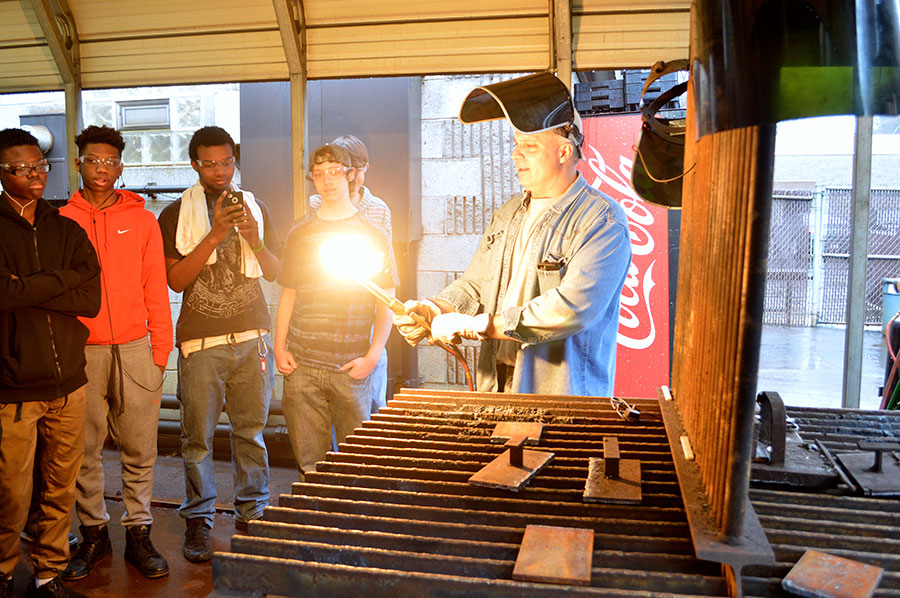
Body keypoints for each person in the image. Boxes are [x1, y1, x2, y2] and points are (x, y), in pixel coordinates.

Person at [394, 73, 632, 396]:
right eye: (517, 145)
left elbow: (571, 308)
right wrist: (436, 309)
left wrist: (484, 325)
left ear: (564, 152)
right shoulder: (508, 214)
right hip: (496, 387)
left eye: (529, 146)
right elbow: (476, 284)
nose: (515, 155)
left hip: (561, 399)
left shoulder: (602, 221)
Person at [157, 126, 281, 563]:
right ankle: (199, 519)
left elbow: (272, 270)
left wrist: (253, 237)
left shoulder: (256, 207)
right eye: (209, 163)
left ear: (235, 161)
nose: (219, 171)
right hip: (201, 340)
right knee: (198, 439)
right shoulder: (175, 213)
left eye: (226, 162)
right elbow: (174, 280)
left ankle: (253, 511)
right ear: (195, 164)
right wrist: (213, 234)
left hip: (253, 337)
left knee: (251, 433)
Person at [58, 125, 173, 581]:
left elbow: (155, 288)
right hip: (82, 351)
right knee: (83, 448)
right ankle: (93, 533)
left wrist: (160, 350)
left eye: (109, 161)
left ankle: (139, 533)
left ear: (120, 167)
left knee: (140, 447)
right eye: (92, 160)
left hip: (136, 347)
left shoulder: (142, 220)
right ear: (79, 163)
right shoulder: (62, 220)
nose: (100, 168)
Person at [0, 128, 100, 598]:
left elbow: (92, 297)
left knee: (60, 485)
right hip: (15, 385)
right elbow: (3, 293)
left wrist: (32, 287)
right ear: (3, 175)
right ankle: (2, 571)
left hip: (69, 383)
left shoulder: (66, 228)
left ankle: (47, 572)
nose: (37, 174)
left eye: (40, 165)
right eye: (23, 168)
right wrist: (61, 282)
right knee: (11, 493)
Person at [274, 144, 397, 478]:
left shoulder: (372, 235)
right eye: (319, 173)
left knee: (359, 462)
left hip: (350, 365)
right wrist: (280, 347)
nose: (327, 180)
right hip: (302, 366)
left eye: (335, 171)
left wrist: (373, 355)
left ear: (350, 175)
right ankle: (314, 527)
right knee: (309, 464)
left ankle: (353, 527)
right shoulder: (299, 235)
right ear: (312, 179)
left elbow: (386, 299)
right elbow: (289, 292)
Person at [309, 135, 394, 411]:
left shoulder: (378, 209)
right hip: (324, 318)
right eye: (331, 170)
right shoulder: (315, 206)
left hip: (366, 314)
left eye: (351, 169)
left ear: (362, 170)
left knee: (372, 398)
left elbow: (387, 273)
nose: (348, 175)